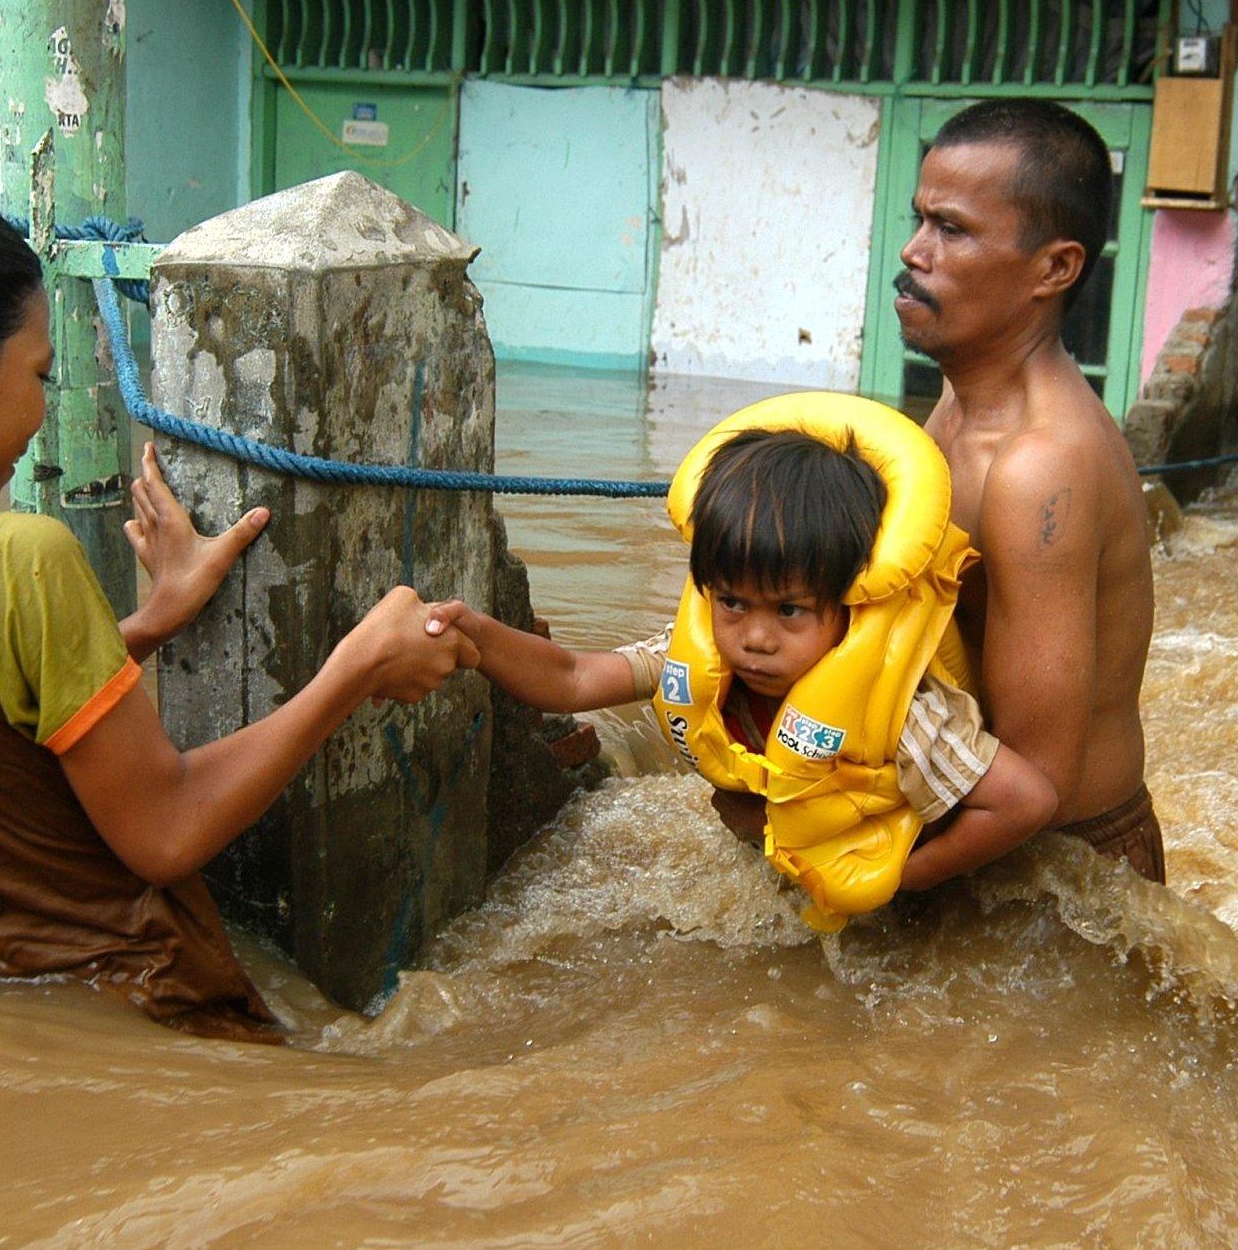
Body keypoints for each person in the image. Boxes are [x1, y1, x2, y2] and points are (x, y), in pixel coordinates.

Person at [0, 182, 476, 1041]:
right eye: (40, 374)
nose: (42, 407)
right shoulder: (18, 559)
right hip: (149, 1006)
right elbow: (166, 829)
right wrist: (356, 668)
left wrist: (151, 620)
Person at [427, 394, 1056, 931]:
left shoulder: (903, 717)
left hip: (908, 896)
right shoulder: (699, 658)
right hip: (802, 860)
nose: (754, 638)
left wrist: (902, 881)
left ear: (848, 603)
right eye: (732, 602)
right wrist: (476, 638)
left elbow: (1025, 801)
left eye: (789, 611)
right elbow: (571, 678)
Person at [893, 98, 1162, 881]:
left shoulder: (1037, 468)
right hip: (981, 840)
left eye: (951, 229)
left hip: (1060, 876)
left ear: (1055, 268)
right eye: (919, 221)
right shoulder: (960, 402)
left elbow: (1033, 786)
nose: (914, 251)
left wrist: (860, 883)